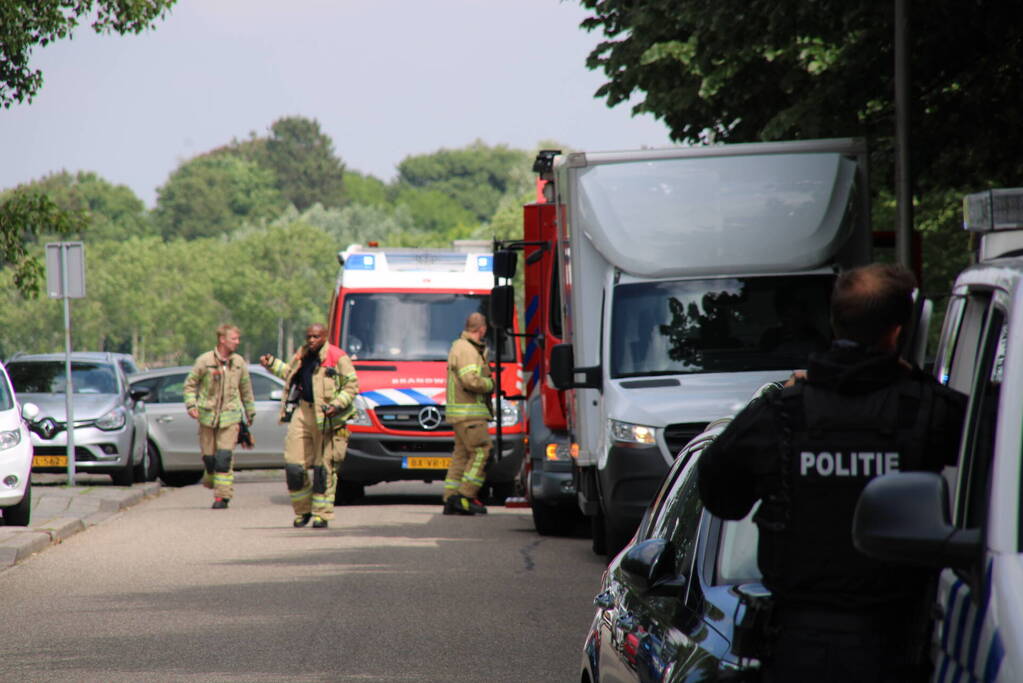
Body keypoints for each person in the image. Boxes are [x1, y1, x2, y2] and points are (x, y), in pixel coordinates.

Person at [697, 263, 967, 682]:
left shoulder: (782, 412)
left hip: (796, 650)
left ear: (834, 322)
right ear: (898, 333)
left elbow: (719, 496)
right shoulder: (930, 411)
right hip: (896, 648)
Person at [260, 323, 358, 529]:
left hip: (326, 415)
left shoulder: (337, 357)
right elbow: (289, 372)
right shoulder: (302, 354)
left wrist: (337, 404)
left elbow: (351, 386)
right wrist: (271, 364)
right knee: (294, 465)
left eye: (316, 336)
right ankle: (302, 511)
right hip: (303, 411)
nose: (311, 340)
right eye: (308, 336)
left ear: (325, 336)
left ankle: (321, 514)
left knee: (323, 468)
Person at [183, 324, 256, 509]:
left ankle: (222, 497)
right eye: (234, 339)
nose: (237, 342)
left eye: (238, 339)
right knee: (210, 460)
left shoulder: (239, 363)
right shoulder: (204, 361)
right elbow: (190, 384)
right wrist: (191, 405)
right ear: (222, 339)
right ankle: (211, 477)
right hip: (207, 417)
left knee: (224, 458)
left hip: (230, 417)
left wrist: (250, 412)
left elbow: (246, 389)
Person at [442, 312, 494, 516]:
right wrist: (490, 383)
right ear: (481, 329)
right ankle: (464, 496)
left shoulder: (462, 347)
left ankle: (451, 498)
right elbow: (470, 380)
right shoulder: (466, 349)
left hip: (462, 414)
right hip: (469, 414)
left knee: (461, 456)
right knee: (482, 451)